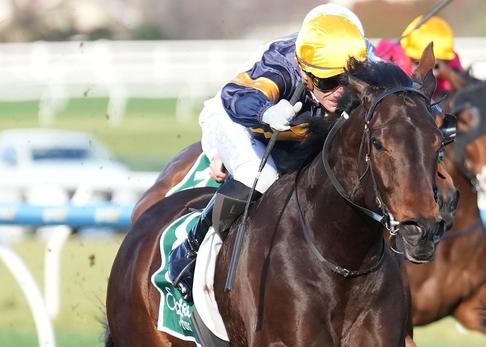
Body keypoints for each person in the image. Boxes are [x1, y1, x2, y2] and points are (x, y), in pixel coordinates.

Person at [168, 3, 370, 300]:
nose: (339, 93)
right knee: (261, 177)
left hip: (298, 133)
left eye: (346, 81)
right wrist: (265, 112)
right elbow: (235, 98)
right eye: (327, 82)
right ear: (305, 72)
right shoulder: (282, 64)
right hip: (240, 119)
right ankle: (191, 248)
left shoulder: (365, 60)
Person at [378, 15, 464, 97]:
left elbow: (468, 94)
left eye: (435, 65)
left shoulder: (451, 60)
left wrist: (450, 76)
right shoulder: (388, 56)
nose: (430, 72)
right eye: (418, 62)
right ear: (408, 55)